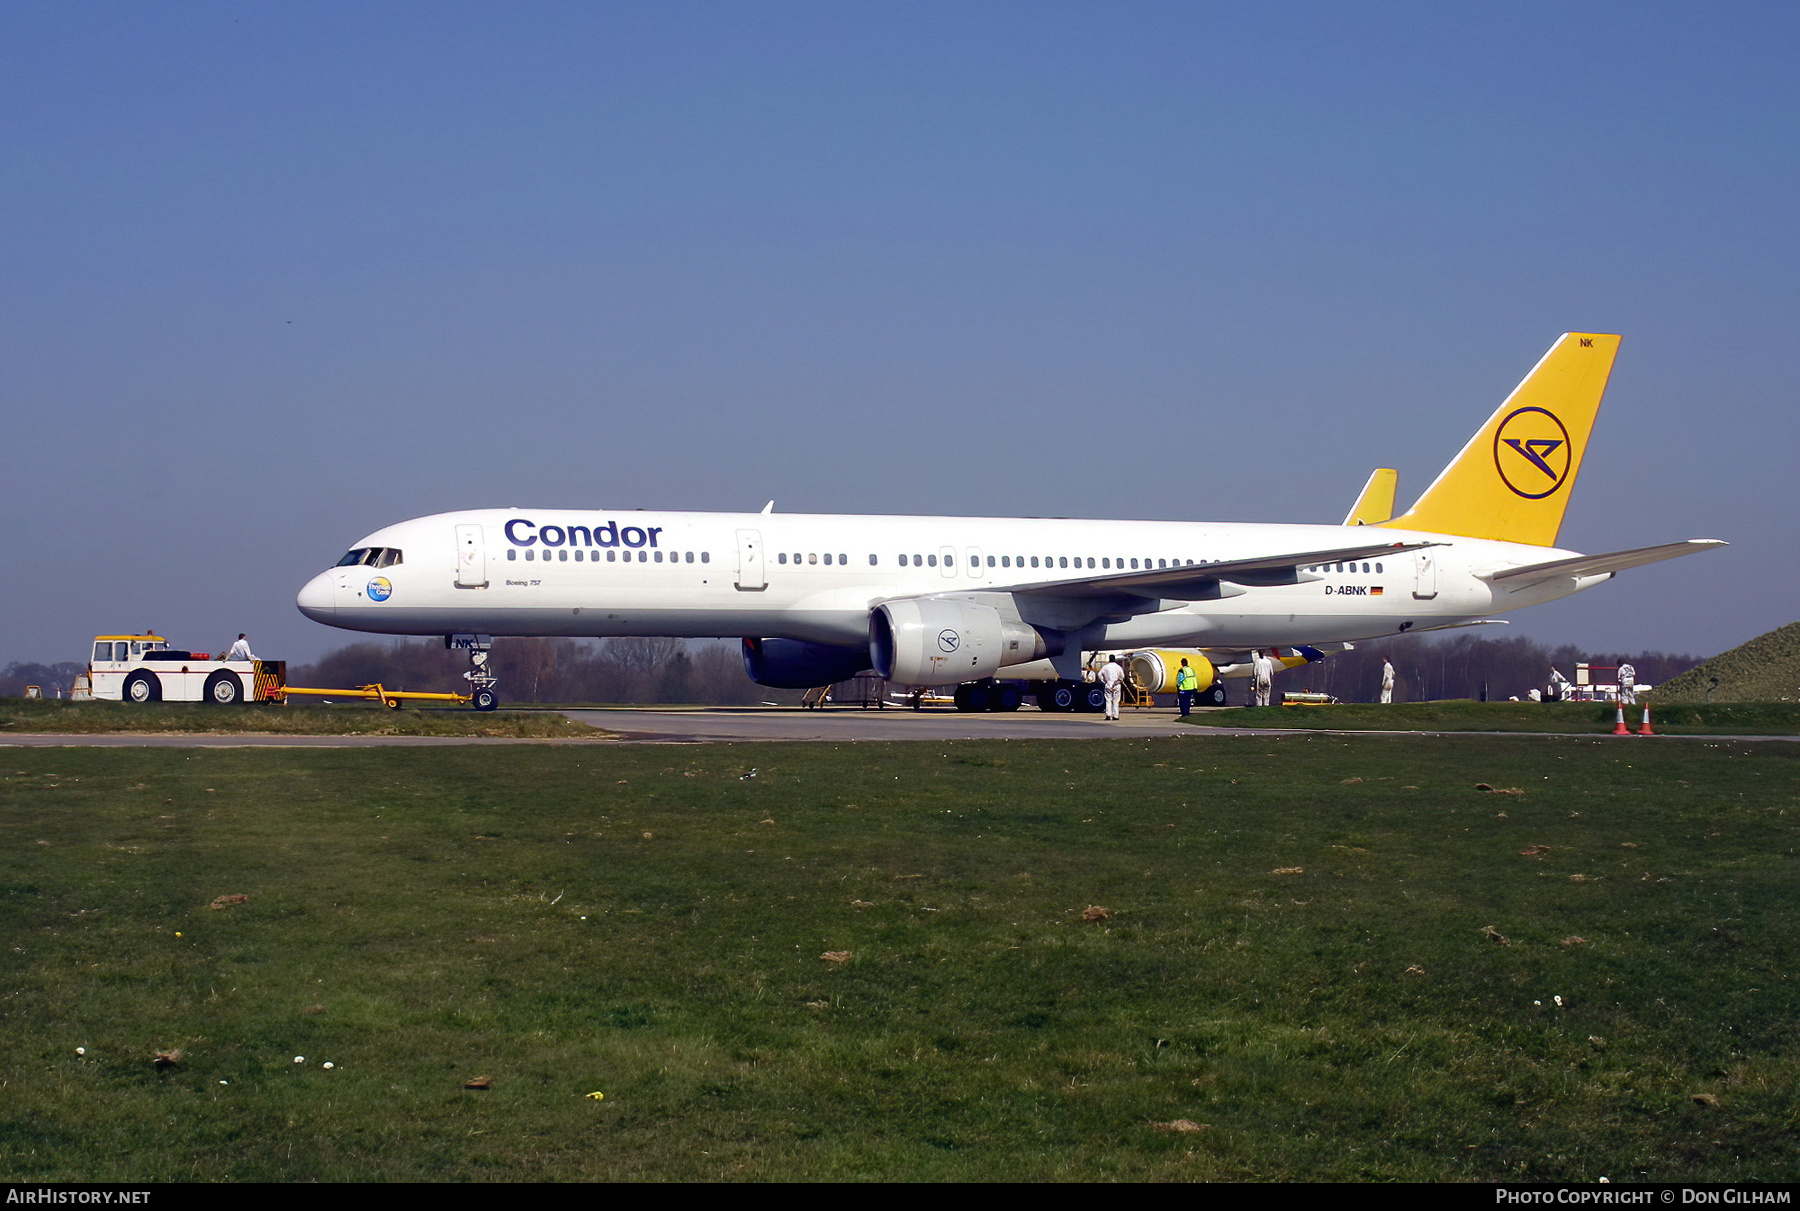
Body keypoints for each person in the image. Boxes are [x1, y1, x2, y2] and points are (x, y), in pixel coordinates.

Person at [1099, 656, 1127, 720]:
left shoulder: (1105, 667)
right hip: (1116, 685)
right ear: (1114, 659)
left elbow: (1099, 674)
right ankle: (1115, 715)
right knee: (1116, 701)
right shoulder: (1118, 667)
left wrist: (1104, 681)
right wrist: (1119, 680)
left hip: (1108, 684)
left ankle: (1108, 715)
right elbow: (1122, 676)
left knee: (1108, 700)